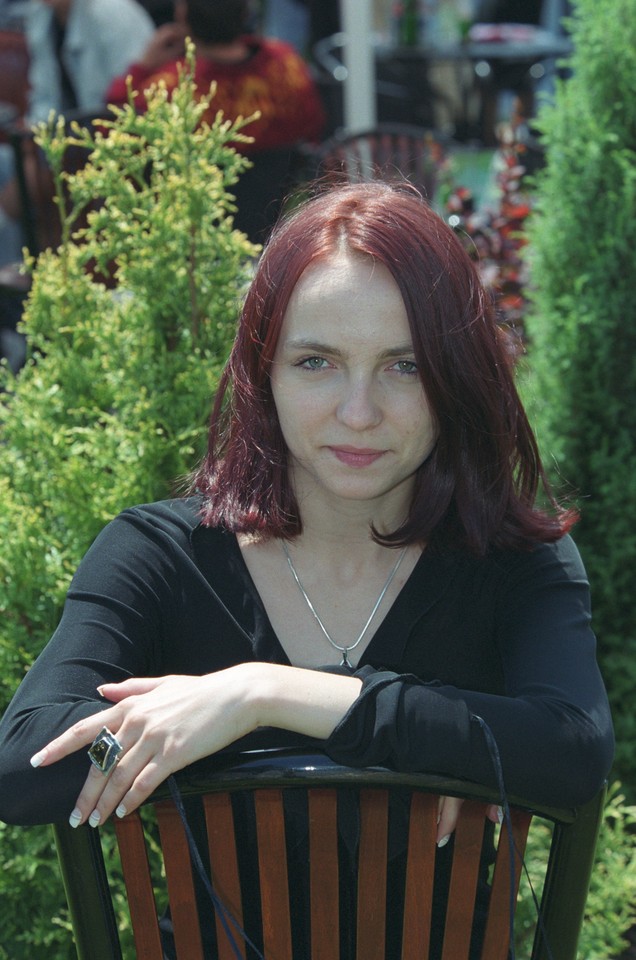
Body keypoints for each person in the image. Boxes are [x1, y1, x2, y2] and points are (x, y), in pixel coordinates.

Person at [0, 181, 613, 957]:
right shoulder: (160, 557)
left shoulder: (514, 563)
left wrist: (262, 696)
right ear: (264, 371)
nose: (358, 412)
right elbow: (24, 765)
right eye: (316, 361)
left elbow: (572, 752)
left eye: (404, 366)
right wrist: (441, 752)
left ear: (457, 376)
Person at [0, 0, 156, 266]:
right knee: (5, 161)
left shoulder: (114, 15)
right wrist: (37, 133)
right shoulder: (42, 15)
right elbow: (45, 97)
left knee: (26, 181)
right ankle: (16, 268)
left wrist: (54, 144)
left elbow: (133, 103)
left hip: (109, 150)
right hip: (61, 140)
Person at [105, 0, 326, 156]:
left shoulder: (171, 87)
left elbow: (111, 129)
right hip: (283, 203)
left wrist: (142, 67)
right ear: (245, 13)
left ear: (182, 15)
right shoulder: (286, 63)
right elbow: (313, 131)